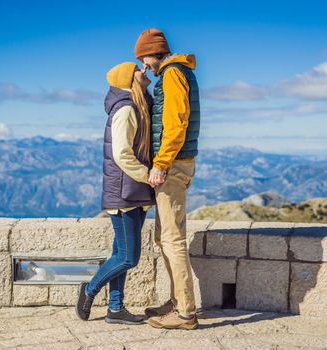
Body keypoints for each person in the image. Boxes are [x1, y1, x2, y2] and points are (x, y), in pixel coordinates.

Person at [75, 62, 155, 325]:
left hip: (131, 192)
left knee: (119, 253)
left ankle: (116, 309)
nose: (144, 71)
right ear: (128, 79)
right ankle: (89, 290)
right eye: (138, 69)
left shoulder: (136, 105)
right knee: (128, 257)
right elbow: (122, 153)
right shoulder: (126, 110)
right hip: (126, 193)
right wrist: (148, 177)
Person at [134, 28, 201, 330]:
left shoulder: (173, 74)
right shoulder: (175, 73)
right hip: (178, 163)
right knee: (164, 237)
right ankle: (176, 302)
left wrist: (160, 164)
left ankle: (185, 313)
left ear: (154, 53)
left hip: (172, 165)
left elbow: (175, 122)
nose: (144, 65)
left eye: (144, 58)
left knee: (172, 240)